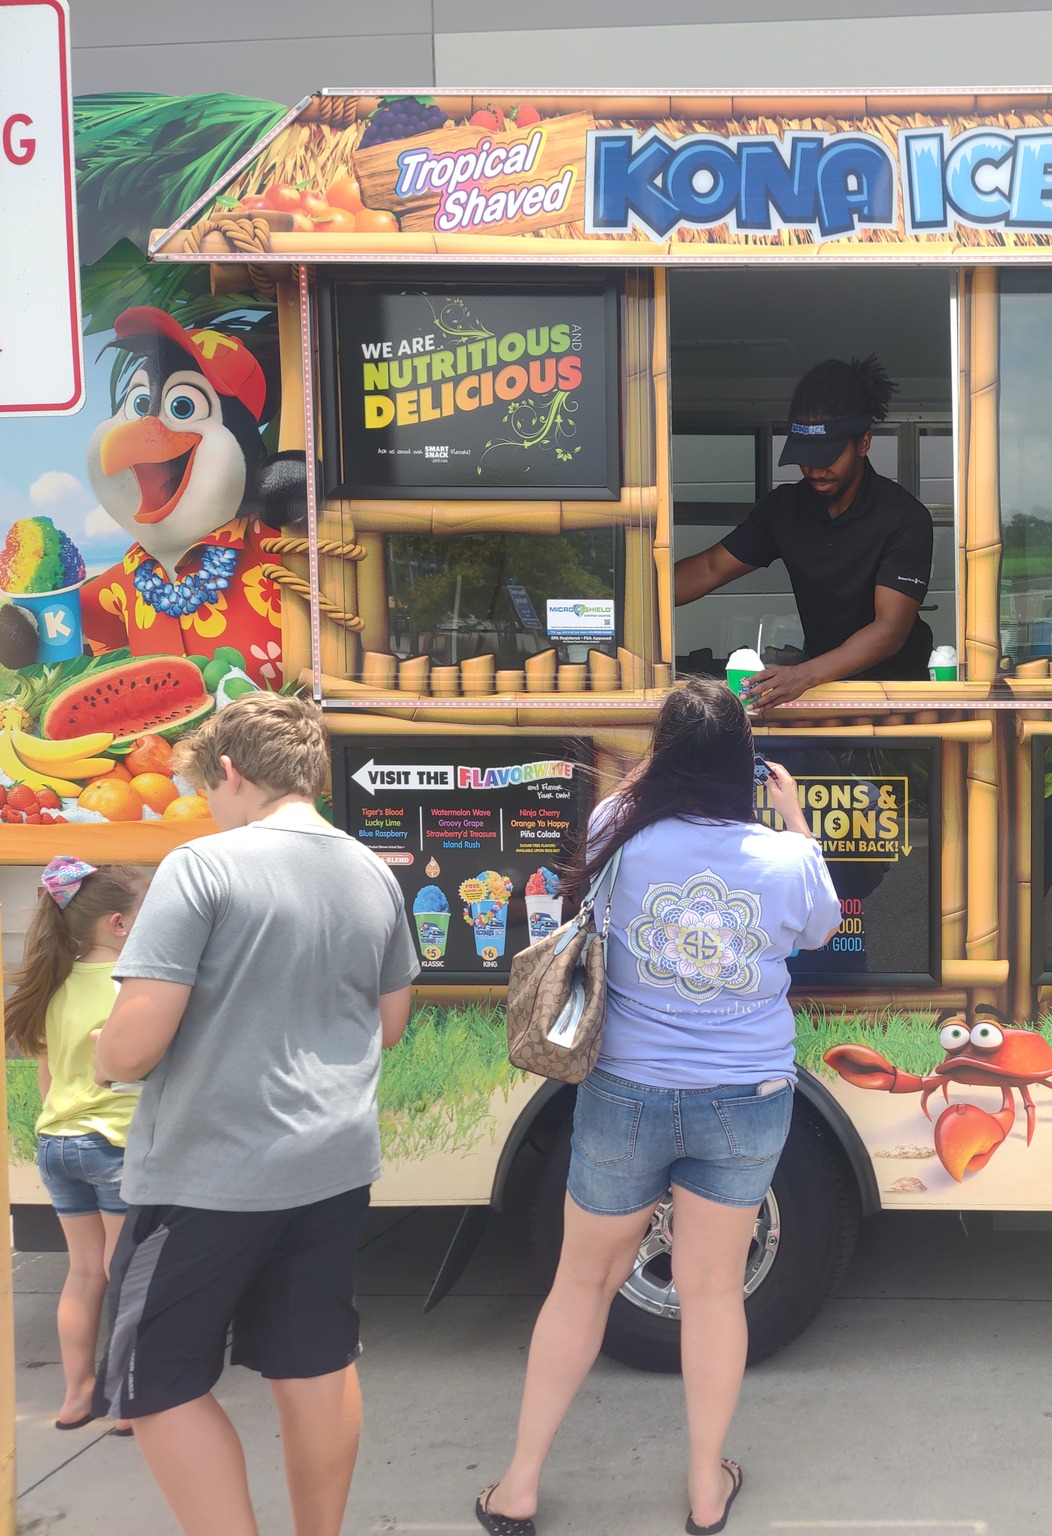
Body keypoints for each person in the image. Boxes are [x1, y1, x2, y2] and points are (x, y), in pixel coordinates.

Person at [477, 678, 841, 1536]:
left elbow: (627, 805)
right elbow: (820, 929)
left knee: (581, 1284)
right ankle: (706, 1491)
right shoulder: (785, 859)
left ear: (664, 757)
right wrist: (794, 817)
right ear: (745, 766)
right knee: (713, 1294)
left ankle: (520, 1486)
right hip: (744, 1098)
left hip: (627, 1095)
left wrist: (657, 767)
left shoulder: (617, 830)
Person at [91, 692, 419, 1536]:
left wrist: (102, 1048)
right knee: (314, 1362)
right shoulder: (370, 871)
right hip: (332, 1166)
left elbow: (132, 1046)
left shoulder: (202, 866)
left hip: (209, 1172)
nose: (208, 804)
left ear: (231, 772)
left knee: (155, 1384)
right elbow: (389, 1024)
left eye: (207, 787)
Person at [672, 354, 935, 708]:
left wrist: (802, 674)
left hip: (895, 700)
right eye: (805, 456)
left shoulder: (904, 517)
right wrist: (630, 601)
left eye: (828, 456)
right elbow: (709, 568)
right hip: (819, 693)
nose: (815, 469)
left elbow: (889, 629)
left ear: (863, 443)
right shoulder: (784, 509)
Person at [6, 856, 151, 1435]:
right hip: (114, 1143)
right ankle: (126, 1400)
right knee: (125, 1273)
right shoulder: (132, 987)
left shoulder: (53, 985)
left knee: (85, 1272)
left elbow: (48, 1081)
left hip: (57, 1143)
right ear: (119, 923)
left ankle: (76, 1395)